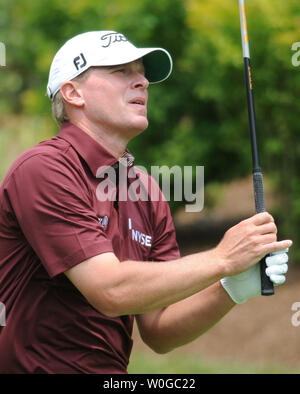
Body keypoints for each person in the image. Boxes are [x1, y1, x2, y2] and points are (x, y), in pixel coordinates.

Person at [0, 30, 291, 374]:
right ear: (73, 92)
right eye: (121, 71)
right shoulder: (45, 169)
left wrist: (231, 288)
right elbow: (109, 289)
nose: (142, 82)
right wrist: (223, 259)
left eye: (141, 72)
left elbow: (160, 330)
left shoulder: (146, 191)